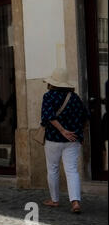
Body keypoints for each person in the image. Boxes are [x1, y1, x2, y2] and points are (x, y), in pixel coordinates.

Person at [40, 68, 89, 214]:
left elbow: (48, 116)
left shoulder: (48, 96)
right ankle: (75, 202)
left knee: (53, 168)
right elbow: (85, 116)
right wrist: (78, 131)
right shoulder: (74, 97)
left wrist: (62, 130)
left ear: (52, 83)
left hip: (53, 139)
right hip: (73, 139)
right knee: (72, 170)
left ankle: (54, 200)